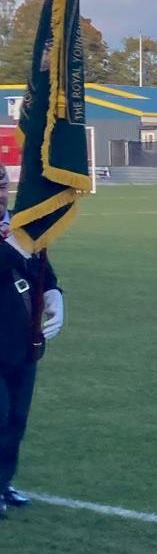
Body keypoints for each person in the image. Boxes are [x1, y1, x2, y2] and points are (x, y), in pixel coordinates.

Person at [0, 166, 66, 517]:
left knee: (16, 419)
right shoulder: (17, 233)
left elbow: (41, 266)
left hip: (23, 340)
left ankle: (3, 482)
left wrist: (54, 292)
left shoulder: (23, 223)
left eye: (2, 186)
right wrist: (14, 245)